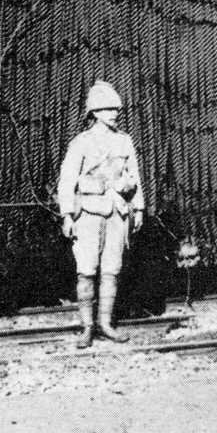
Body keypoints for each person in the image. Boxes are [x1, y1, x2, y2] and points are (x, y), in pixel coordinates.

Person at [57, 80, 144, 348]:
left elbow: (134, 177)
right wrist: (67, 215)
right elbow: (67, 181)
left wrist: (138, 207)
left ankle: (105, 324)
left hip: (117, 212)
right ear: (94, 112)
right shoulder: (81, 143)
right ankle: (87, 327)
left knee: (112, 270)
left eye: (116, 109)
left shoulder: (124, 141)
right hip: (89, 214)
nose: (114, 113)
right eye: (107, 109)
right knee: (86, 270)